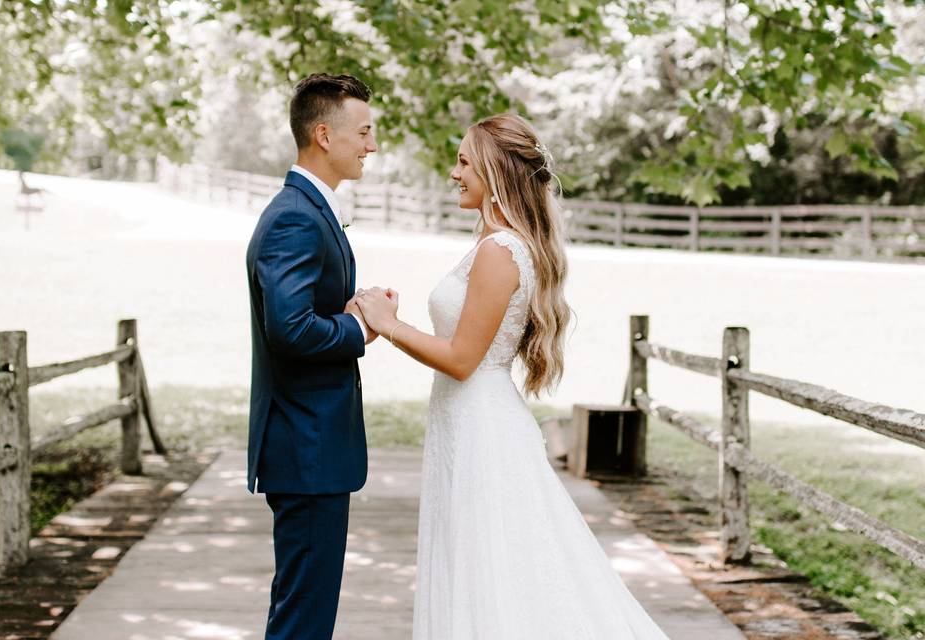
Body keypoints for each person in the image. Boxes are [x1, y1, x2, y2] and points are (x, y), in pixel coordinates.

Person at [354, 113, 671, 639]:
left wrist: (389, 326)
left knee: (501, 571)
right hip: (465, 420)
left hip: (484, 429)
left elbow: (461, 359)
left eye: (464, 162)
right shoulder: (496, 243)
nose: (454, 173)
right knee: (481, 565)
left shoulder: (501, 252)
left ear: (495, 171)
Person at [244, 73, 383, 640]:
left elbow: (299, 312)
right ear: (324, 135)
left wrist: (349, 307)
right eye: (365, 132)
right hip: (307, 447)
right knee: (303, 616)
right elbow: (291, 330)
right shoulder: (297, 216)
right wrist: (358, 327)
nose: (371, 145)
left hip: (313, 447)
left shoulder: (309, 209)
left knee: (306, 608)